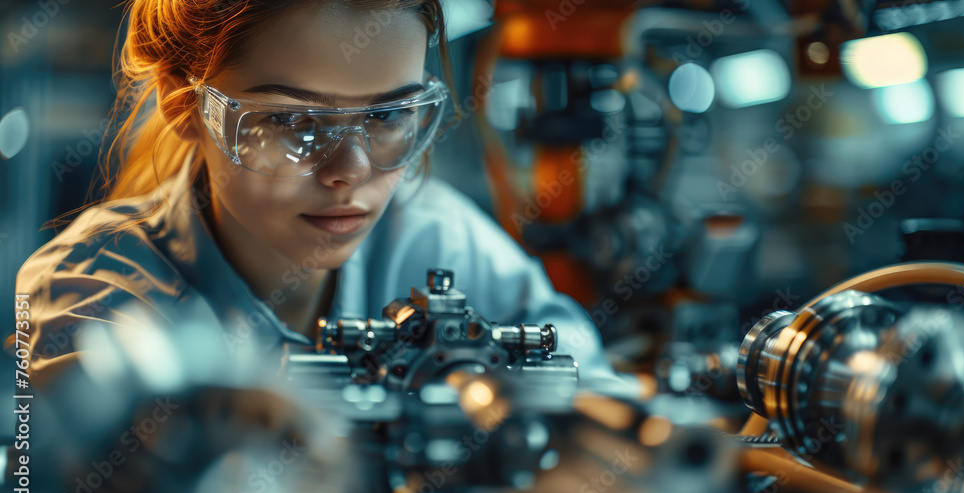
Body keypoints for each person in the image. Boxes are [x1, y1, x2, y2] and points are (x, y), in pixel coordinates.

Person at [10, 0, 620, 387]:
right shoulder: (90, 290)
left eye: (386, 116)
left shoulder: (435, 237)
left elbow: (587, 383)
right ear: (185, 108)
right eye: (293, 122)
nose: (349, 172)